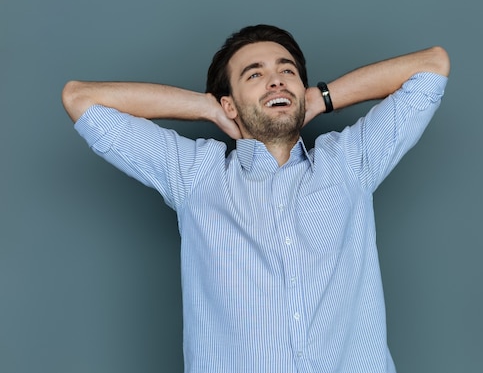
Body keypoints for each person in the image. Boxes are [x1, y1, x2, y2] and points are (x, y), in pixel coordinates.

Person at [62, 24, 450, 373]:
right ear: (228, 102)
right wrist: (206, 108)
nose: (277, 81)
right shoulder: (196, 175)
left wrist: (321, 99)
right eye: (255, 75)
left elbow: (432, 66)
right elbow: (81, 99)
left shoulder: (350, 161)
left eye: (287, 71)